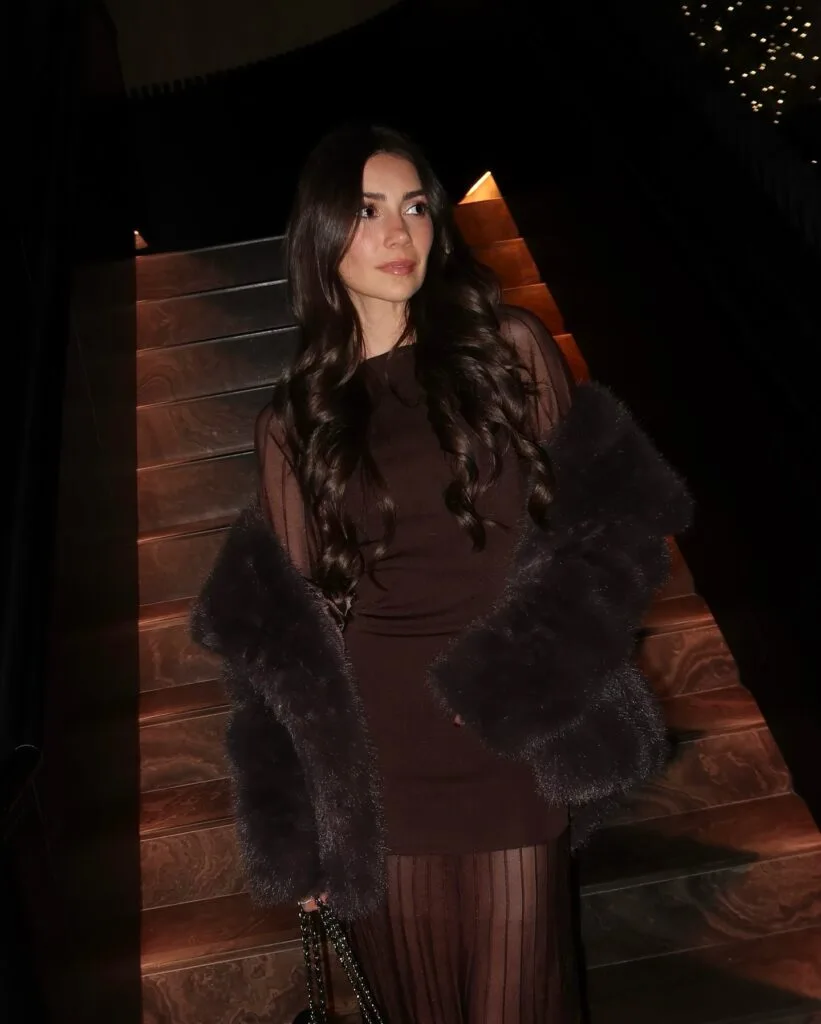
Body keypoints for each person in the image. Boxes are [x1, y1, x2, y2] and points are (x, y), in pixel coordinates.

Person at [191, 123, 692, 1023]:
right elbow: (288, 644)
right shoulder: (293, 422)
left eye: (415, 207)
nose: (398, 233)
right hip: (381, 769)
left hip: (507, 740)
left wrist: (518, 674)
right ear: (322, 240)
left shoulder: (507, 348)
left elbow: (615, 527)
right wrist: (300, 820)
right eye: (368, 212)